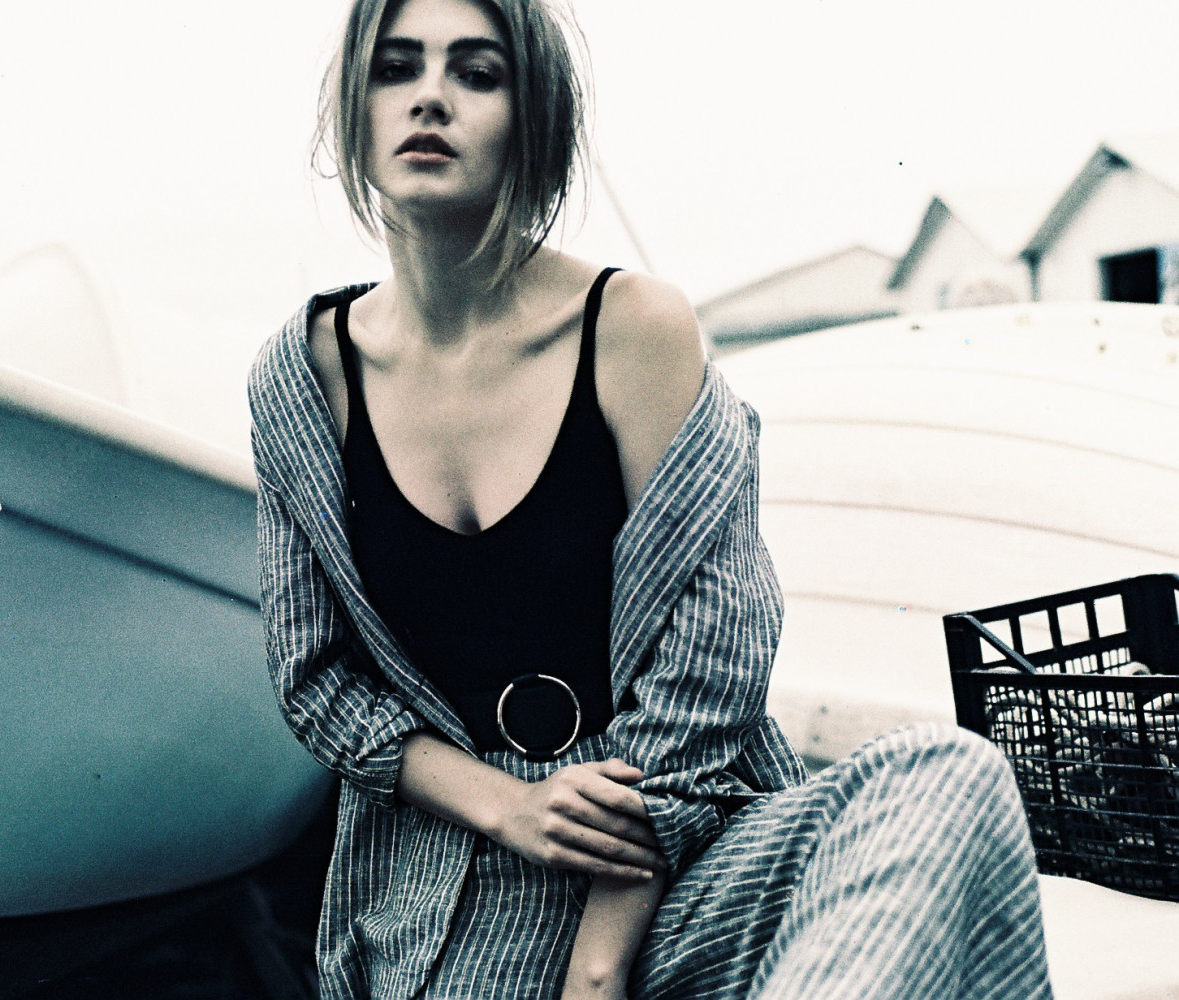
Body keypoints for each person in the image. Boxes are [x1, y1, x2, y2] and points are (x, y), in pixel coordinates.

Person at [248, 0, 1055, 997]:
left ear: (534, 118)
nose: (430, 98)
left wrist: (597, 969)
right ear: (354, 106)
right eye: (396, 67)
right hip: (449, 900)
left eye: (477, 73)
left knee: (946, 775)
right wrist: (508, 805)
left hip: (678, 870)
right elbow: (316, 678)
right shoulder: (303, 377)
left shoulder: (632, 329)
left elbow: (711, 661)